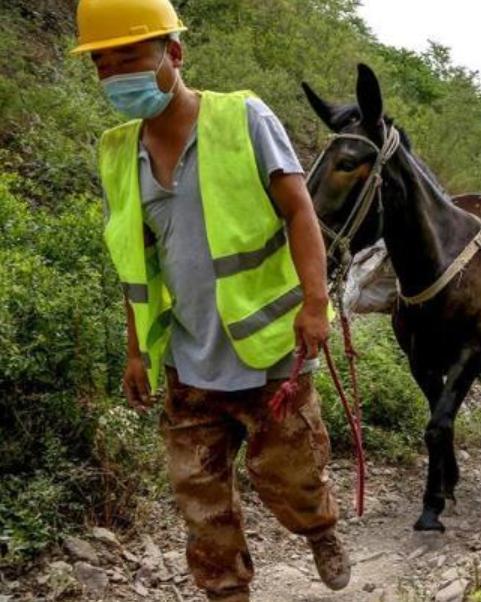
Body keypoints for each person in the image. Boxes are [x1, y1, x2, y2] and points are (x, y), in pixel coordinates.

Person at [71, 1, 349, 599]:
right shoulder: (118, 152)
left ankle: (319, 525)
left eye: (131, 57)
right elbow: (134, 264)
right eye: (103, 64)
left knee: (290, 478)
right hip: (187, 362)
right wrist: (137, 353)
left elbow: (300, 210)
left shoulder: (242, 117)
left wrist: (315, 303)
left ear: (174, 53)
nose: (117, 75)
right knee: (201, 505)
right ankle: (227, 592)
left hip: (269, 352)